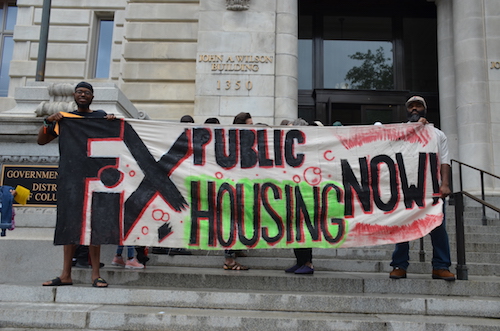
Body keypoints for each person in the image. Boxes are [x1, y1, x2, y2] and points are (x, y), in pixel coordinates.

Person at [39, 81, 115, 288]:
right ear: (74, 95)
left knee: (95, 226)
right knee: (68, 224)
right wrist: (48, 121)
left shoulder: (100, 117)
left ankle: (95, 275)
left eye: (87, 92)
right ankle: (65, 275)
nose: (83, 95)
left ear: (92, 97)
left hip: (95, 177)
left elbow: (117, 139)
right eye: (80, 92)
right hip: (70, 178)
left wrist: (112, 122)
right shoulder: (65, 119)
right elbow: (42, 141)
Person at [389, 95, 455, 281]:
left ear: (425, 109)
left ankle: (441, 266)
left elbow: (445, 161)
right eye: (411, 107)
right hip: (406, 188)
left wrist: (445, 184)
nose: (415, 109)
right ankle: (399, 265)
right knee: (404, 226)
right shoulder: (399, 132)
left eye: (419, 106)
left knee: (438, 227)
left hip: (431, 189)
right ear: (407, 110)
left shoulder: (437, 134)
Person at [222, 112, 254, 270]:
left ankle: (236, 249)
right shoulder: (234, 143)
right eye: (250, 125)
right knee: (232, 221)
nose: (252, 128)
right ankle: (229, 260)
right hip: (233, 189)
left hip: (242, 188)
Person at [284, 118, 315, 274]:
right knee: (294, 229)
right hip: (292, 193)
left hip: (306, 195)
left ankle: (308, 262)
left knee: (305, 229)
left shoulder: (309, 149)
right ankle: (300, 261)